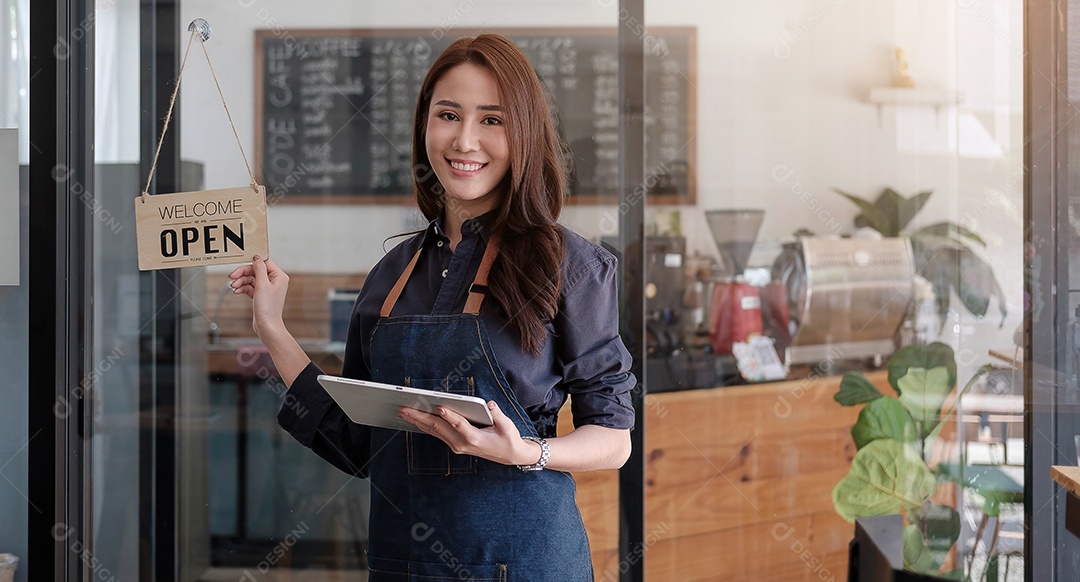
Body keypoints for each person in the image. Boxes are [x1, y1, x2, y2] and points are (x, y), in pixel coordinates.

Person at [228, 33, 635, 581]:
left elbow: (613, 441)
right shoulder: (392, 274)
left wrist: (527, 453)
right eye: (448, 114)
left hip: (527, 560)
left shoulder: (570, 266)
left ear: (525, 132)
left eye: (492, 120)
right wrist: (272, 327)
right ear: (424, 126)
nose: (465, 140)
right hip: (404, 564)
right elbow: (357, 444)